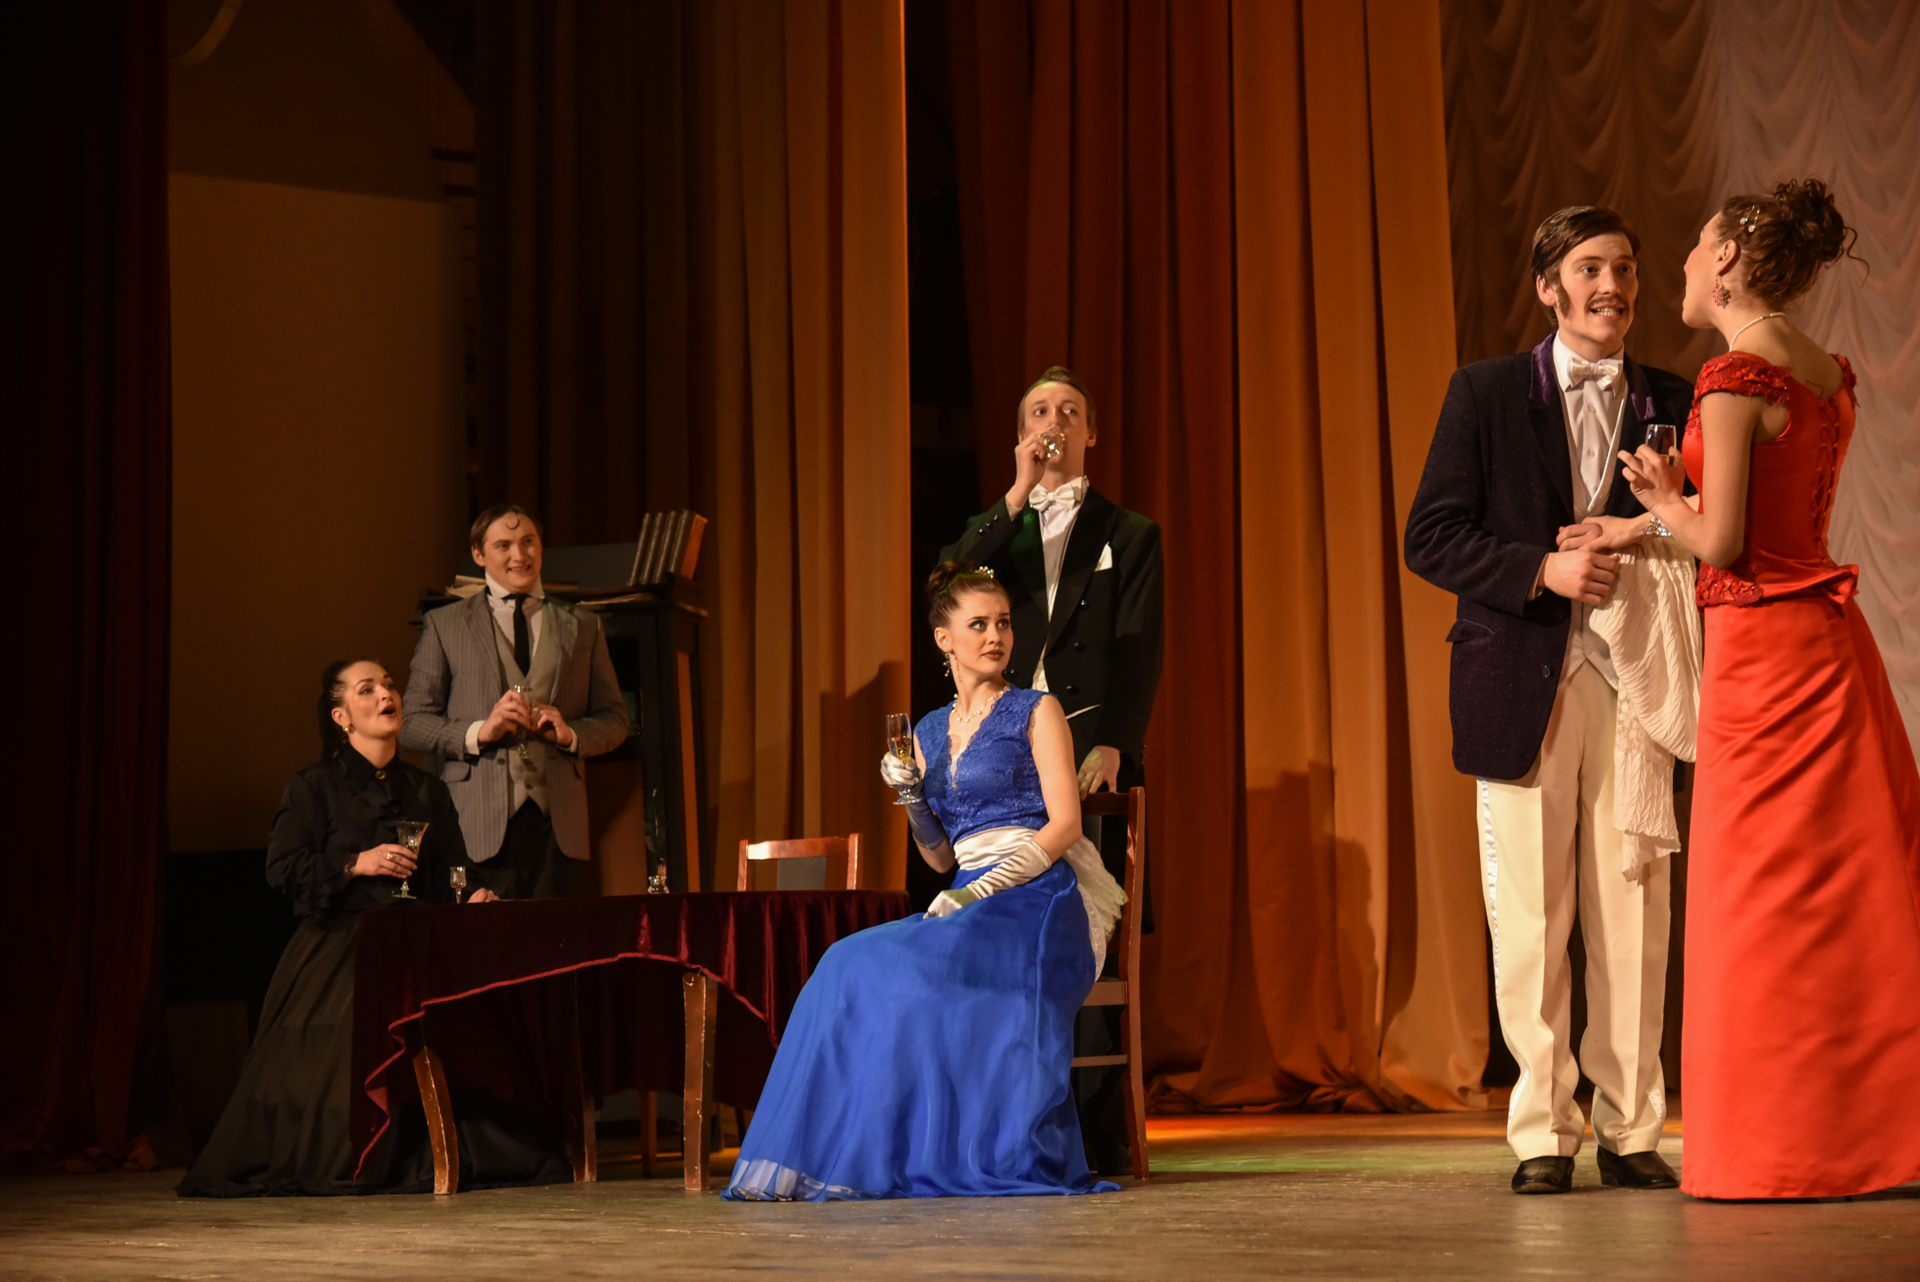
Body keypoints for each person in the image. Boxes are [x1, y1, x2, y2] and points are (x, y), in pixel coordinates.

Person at [1615, 179, 1920, 1200]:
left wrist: (1664, 499)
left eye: (1697, 245)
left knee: (1758, 901)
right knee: (1838, 892)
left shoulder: (1732, 373)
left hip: (1761, 654)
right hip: (1826, 641)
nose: (1685, 263)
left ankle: (1778, 1146)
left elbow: (1725, 539)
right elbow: (1778, 514)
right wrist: (1645, 523)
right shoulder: (1822, 369)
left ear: (1729, 258)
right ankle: (1872, 1131)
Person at [1404, 206, 1695, 1195]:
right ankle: (1543, 1133)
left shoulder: (1672, 397)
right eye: (1590, 269)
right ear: (1548, 287)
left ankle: (1632, 1127)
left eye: (1626, 268)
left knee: (1634, 911)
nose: (1612, 286)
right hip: (1517, 677)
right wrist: (1542, 569)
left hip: (1635, 684)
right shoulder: (1484, 392)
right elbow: (1431, 535)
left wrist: (1641, 532)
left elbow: (1701, 525)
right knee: (1529, 915)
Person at [723, 563, 1125, 1201]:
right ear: (945, 640)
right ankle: (863, 1155)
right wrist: (911, 795)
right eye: (978, 625)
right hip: (962, 893)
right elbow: (939, 858)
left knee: (917, 967)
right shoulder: (929, 730)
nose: (995, 637)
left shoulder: (1036, 709)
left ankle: (980, 1151)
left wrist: (981, 890)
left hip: (1036, 896)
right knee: (845, 963)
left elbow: (1065, 826)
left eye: (1003, 624)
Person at [179, 660, 570, 1196]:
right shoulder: (315, 786)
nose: (387, 694)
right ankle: (361, 1152)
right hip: (346, 944)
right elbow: (282, 867)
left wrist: (473, 892)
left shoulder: (427, 790)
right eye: (367, 689)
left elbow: (453, 869)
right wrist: (354, 863)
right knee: (349, 1030)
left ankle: (449, 1152)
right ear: (341, 716)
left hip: (418, 942)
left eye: (388, 685)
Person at [939, 366, 1163, 1174]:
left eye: (1069, 411)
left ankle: (1090, 1133)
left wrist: (1118, 742)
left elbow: (1139, 647)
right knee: (995, 920)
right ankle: (990, 1120)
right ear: (1021, 433)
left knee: (1080, 928)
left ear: (1090, 433)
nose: (1054, 421)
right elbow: (948, 584)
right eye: (1039, 411)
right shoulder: (999, 529)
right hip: (1004, 747)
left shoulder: (1128, 532)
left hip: (1085, 743)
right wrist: (1016, 492)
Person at [401, 504, 629, 899]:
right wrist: (479, 732)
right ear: (479, 554)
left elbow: (616, 718)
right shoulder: (446, 624)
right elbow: (411, 723)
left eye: (528, 542)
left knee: (557, 934)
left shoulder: (583, 624)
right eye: (503, 545)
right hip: (476, 824)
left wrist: (571, 734)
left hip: (558, 824)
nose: (519, 555)